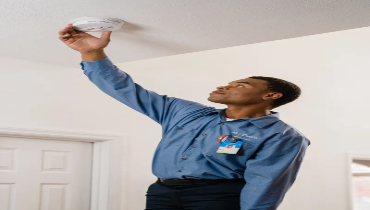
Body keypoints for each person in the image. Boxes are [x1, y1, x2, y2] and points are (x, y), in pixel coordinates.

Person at [59, 24, 310, 210]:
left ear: (271, 95)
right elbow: (124, 89)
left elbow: (266, 184)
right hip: (161, 193)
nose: (224, 87)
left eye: (241, 85)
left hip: (217, 199)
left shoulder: (282, 136)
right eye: (228, 82)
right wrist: (92, 53)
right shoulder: (185, 112)